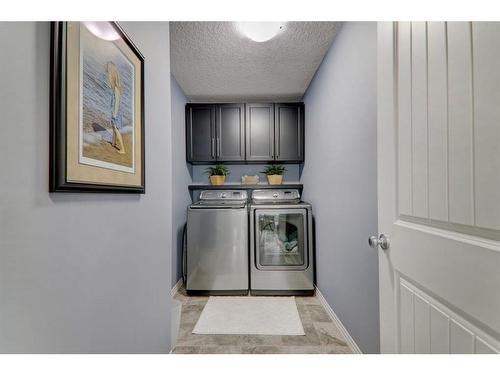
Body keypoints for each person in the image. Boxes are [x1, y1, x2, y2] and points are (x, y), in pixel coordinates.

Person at [106, 62, 125, 154]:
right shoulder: (114, 88)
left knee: (116, 129)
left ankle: (123, 149)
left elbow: (117, 102)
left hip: (116, 111)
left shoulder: (116, 89)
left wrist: (114, 113)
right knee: (114, 127)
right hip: (116, 110)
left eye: (109, 75)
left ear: (112, 76)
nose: (108, 78)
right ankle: (113, 142)